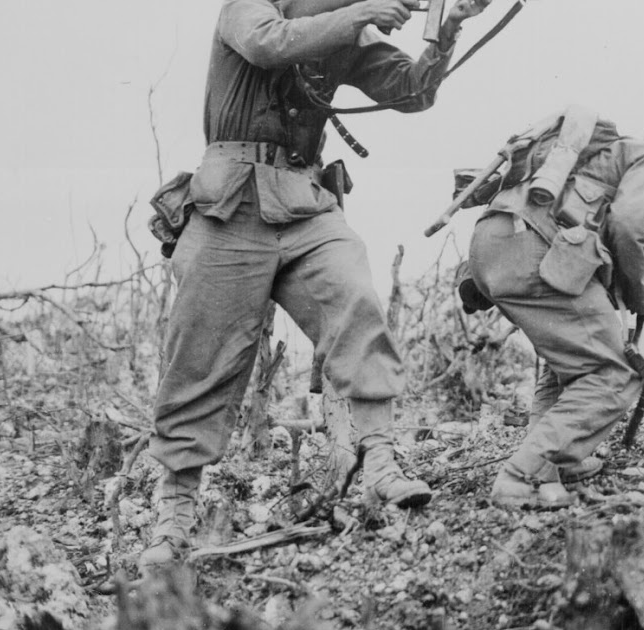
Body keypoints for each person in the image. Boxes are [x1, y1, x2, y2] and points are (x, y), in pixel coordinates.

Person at [140, 0, 494, 571]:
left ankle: (380, 464)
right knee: (199, 357)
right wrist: (363, 12)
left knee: (355, 297)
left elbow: (411, 91)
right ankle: (174, 520)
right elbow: (270, 43)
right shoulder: (251, 8)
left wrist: (445, 31)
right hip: (231, 205)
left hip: (304, 203)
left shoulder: (344, 30)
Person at [467, 105, 644, 509]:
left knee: (569, 363)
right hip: (533, 247)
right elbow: (627, 224)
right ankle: (525, 476)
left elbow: (605, 237)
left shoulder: (614, 161)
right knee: (614, 372)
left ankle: (554, 466)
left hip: (495, 245)